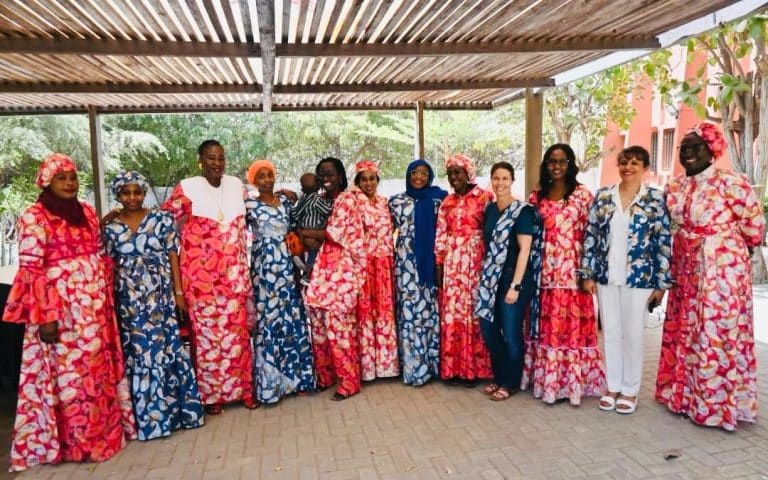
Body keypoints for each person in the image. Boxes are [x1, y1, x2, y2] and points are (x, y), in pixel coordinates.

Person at [3, 153, 136, 472]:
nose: (69, 183)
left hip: (96, 311)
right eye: (61, 178)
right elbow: (32, 271)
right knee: (71, 379)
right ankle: (76, 443)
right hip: (61, 314)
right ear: (46, 182)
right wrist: (45, 317)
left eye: (73, 177)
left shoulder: (86, 211)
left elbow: (100, 255)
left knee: (97, 373)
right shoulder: (34, 217)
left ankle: (103, 434)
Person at [655, 123, 765, 431]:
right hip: (686, 268)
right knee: (686, 330)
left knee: (714, 332)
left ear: (712, 150)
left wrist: (727, 247)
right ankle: (684, 398)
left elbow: (755, 227)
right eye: (685, 148)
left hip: (721, 272)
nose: (689, 153)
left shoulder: (732, 182)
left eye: (697, 147)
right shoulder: (675, 186)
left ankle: (717, 406)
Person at [103, 171, 204, 439]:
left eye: (137, 192)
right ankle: (150, 422)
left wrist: (178, 292)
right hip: (130, 303)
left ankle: (178, 415)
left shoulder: (161, 219)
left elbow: (173, 256)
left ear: (144, 193)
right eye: (126, 192)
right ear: (118, 195)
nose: (132, 197)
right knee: (141, 354)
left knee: (167, 348)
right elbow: (109, 265)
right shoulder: (111, 228)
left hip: (161, 297)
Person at [162, 140, 257, 415]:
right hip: (200, 283)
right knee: (207, 342)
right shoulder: (187, 187)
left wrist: (282, 194)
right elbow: (163, 222)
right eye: (211, 158)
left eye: (221, 158)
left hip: (235, 278)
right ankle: (212, 396)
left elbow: (259, 204)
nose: (217, 163)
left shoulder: (236, 185)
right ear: (200, 161)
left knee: (237, 338)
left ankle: (244, 390)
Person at [580, 147, 672, 414]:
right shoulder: (603, 196)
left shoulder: (655, 199)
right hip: (607, 275)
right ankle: (613, 386)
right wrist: (588, 273)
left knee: (633, 335)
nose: (628, 167)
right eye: (623, 162)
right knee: (611, 332)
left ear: (645, 168)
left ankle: (630, 390)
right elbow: (591, 236)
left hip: (640, 278)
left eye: (634, 163)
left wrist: (661, 284)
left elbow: (664, 241)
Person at [523, 143, 606, 405]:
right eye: (551, 161)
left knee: (571, 328)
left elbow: (593, 236)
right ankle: (547, 381)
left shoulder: (583, 195)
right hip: (543, 274)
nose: (556, 166)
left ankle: (572, 383)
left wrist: (588, 273)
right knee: (547, 328)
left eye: (562, 161)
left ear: (570, 164)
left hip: (573, 273)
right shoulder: (536, 197)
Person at [244, 160, 315, 404]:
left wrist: (298, 265)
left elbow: (296, 229)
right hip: (264, 270)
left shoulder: (285, 201)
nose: (267, 180)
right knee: (269, 321)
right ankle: (271, 386)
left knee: (291, 319)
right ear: (253, 181)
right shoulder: (248, 205)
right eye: (261, 176)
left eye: (270, 175)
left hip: (287, 266)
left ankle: (299, 380)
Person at [475, 162, 541, 401]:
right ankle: (499, 376)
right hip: (490, 279)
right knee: (489, 330)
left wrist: (515, 286)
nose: (500, 183)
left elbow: (525, 250)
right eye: (496, 178)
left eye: (505, 178)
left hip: (513, 278)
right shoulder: (490, 210)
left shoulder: (523, 211)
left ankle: (511, 382)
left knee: (511, 333)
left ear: (512, 181)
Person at [304, 157, 366, 401]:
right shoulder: (321, 201)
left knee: (339, 328)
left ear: (340, 176)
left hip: (342, 271)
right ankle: (326, 377)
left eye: (331, 174)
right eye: (322, 174)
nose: (326, 178)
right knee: (319, 326)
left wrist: (304, 232)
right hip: (323, 272)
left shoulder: (347, 200)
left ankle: (349, 382)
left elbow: (333, 233)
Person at [435, 153, 493, 387]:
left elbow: (491, 233)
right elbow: (440, 236)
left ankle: (474, 370)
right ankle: (453, 370)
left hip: (475, 263)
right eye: (450, 174)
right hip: (452, 264)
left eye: (457, 172)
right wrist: (439, 265)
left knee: (473, 312)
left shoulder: (484, 197)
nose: (453, 177)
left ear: (468, 173)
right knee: (452, 314)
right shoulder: (447, 202)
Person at [389, 159, 447, 387]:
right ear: (408, 175)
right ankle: (414, 369)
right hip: (405, 266)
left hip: (431, 265)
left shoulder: (439, 200)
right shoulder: (396, 202)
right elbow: (383, 230)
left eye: (424, 173)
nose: (419, 177)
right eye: (415, 172)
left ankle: (433, 366)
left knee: (430, 313)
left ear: (430, 176)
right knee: (409, 314)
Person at [353, 160, 399, 382]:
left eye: (372, 179)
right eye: (364, 179)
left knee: (384, 312)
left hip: (384, 264)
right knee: (365, 313)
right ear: (357, 182)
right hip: (363, 264)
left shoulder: (385, 203)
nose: (368, 183)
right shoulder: (353, 202)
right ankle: (368, 368)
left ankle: (387, 366)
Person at [291, 172, 332, 280]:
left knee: (310, 251)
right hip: (314, 227)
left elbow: (295, 213)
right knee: (314, 250)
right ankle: (308, 273)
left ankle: (304, 264)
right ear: (317, 185)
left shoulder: (304, 198)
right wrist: (334, 203)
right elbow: (327, 210)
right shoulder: (316, 198)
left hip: (304, 227)